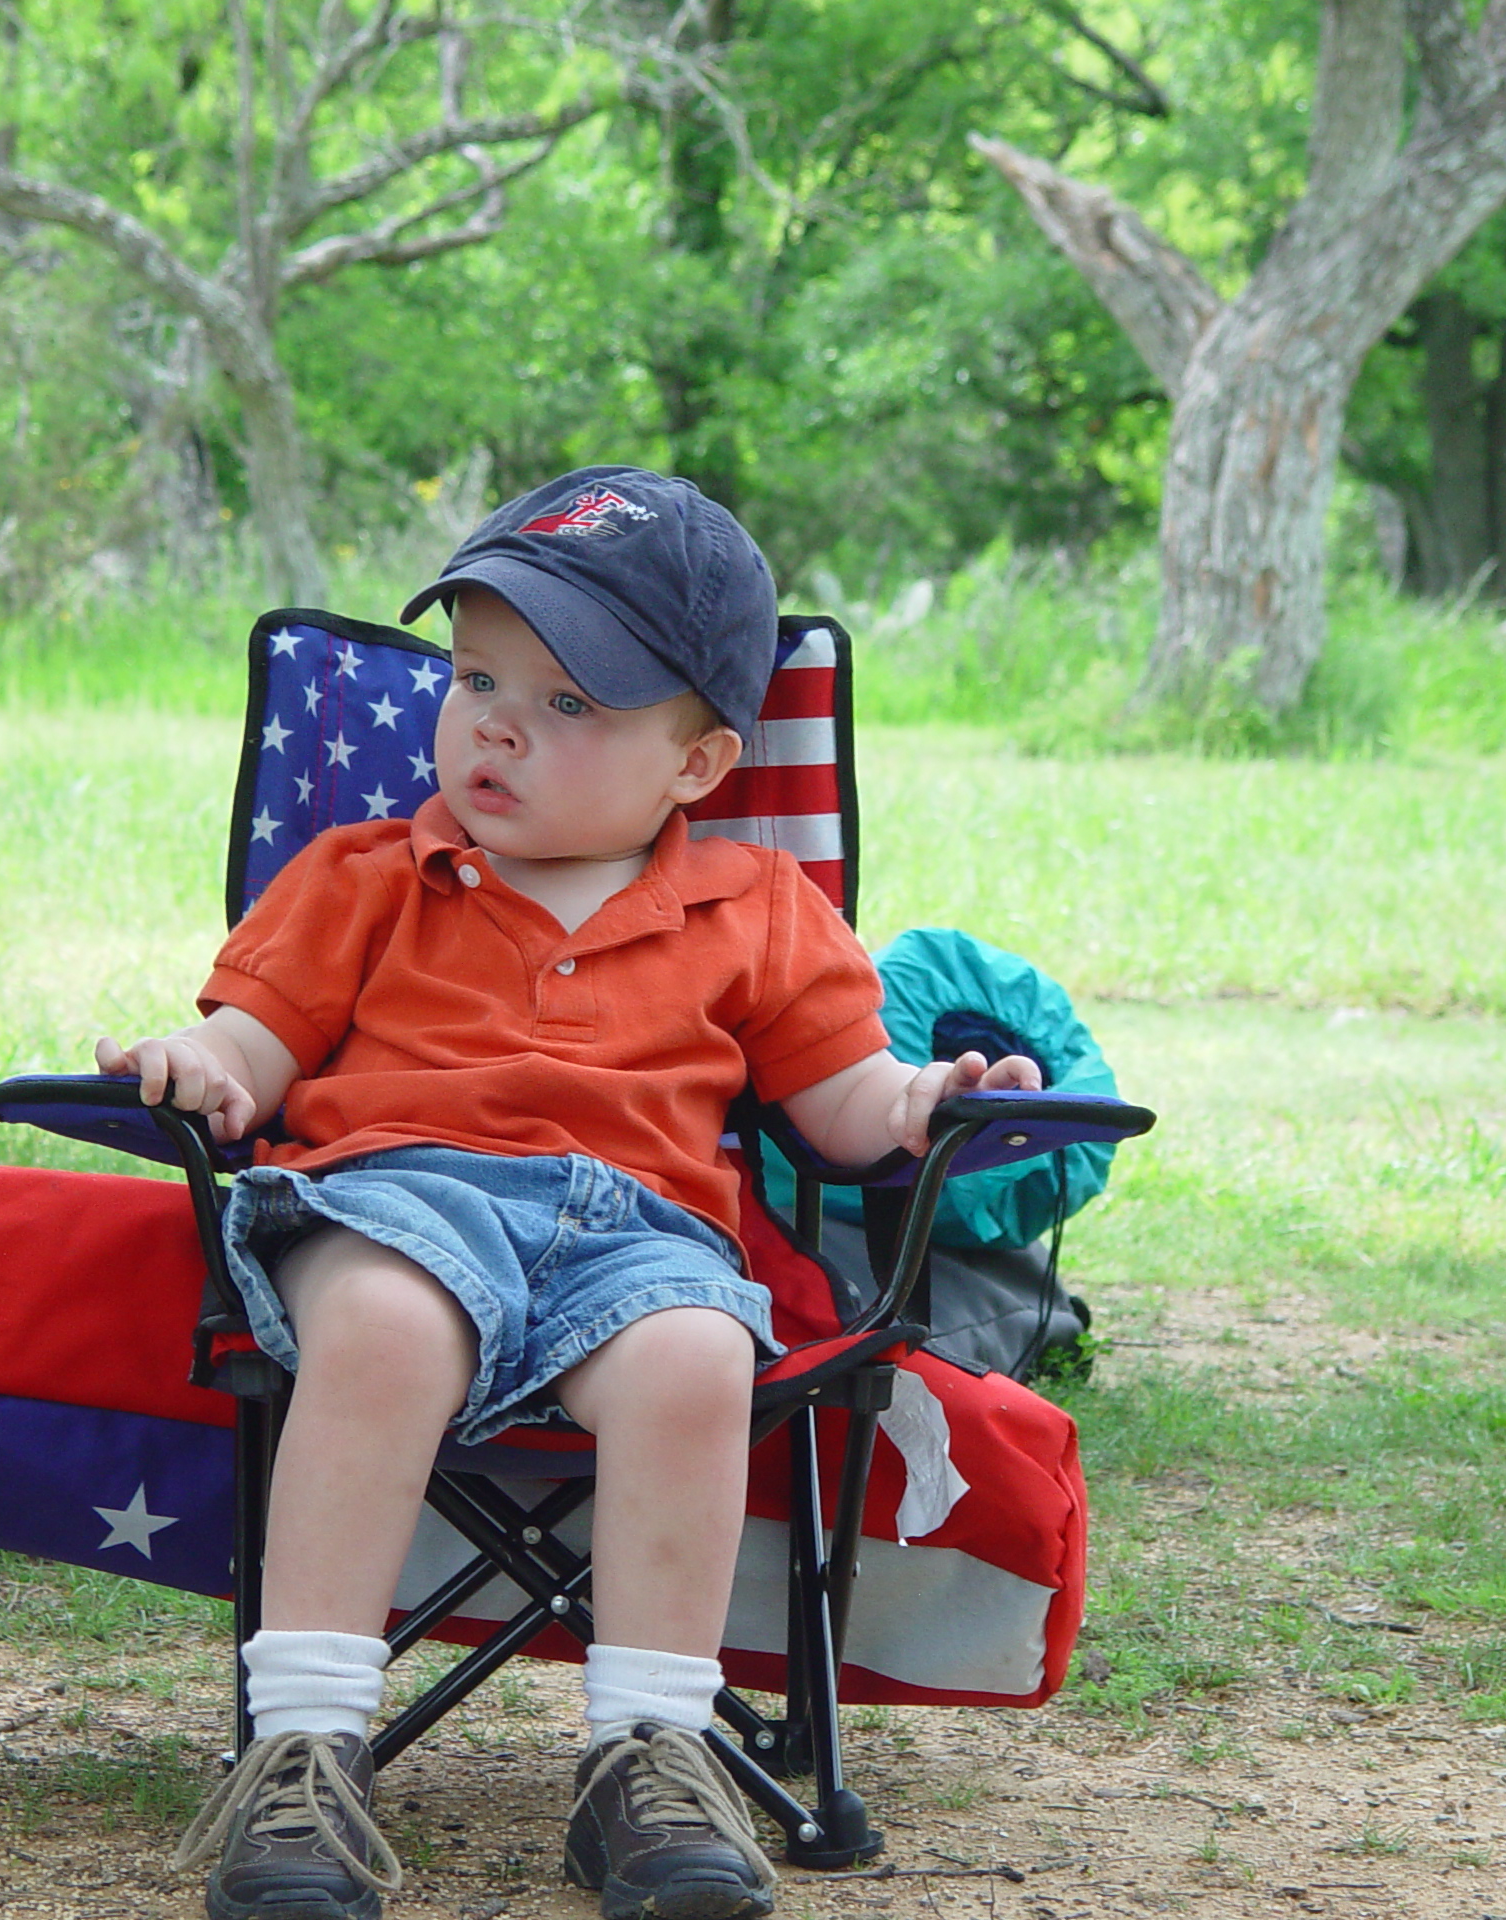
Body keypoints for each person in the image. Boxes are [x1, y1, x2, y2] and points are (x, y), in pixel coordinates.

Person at [98, 467, 1039, 1920]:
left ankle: (650, 1757)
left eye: (570, 704)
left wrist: (930, 1100)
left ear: (699, 763)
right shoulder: (364, 876)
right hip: (392, 1202)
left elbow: (849, 1113)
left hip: (636, 1236)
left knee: (692, 1357)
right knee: (392, 1329)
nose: (495, 724)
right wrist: (198, 1064)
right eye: (477, 675)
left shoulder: (762, 909)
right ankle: (301, 1748)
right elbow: (252, 1047)